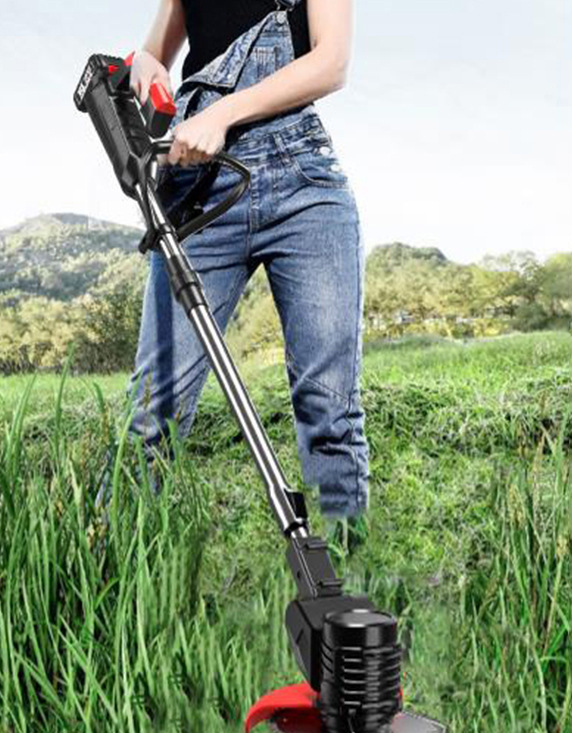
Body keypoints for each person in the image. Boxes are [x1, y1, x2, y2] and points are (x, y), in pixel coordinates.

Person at [121, 0, 369, 548]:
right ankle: (111, 581)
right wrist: (144, 63)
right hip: (197, 187)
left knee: (330, 412)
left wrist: (224, 112)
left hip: (302, 185)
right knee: (152, 416)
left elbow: (331, 62)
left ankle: (348, 582)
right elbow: (154, 51)